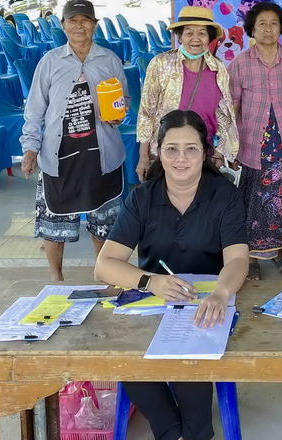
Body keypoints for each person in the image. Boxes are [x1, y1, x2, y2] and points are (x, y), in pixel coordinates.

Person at [95, 110, 248, 440]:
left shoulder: (225, 195)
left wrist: (221, 293)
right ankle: (173, 431)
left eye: (191, 149)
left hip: (203, 306)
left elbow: (237, 260)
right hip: (151, 305)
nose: (181, 159)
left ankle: (186, 432)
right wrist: (151, 282)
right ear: (158, 151)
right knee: (126, 360)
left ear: (204, 153)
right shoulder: (142, 198)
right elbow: (105, 265)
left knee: (188, 367)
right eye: (171, 149)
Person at [21, 0, 127, 281]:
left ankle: (103, 274)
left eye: (85, 20)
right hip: (59, 155)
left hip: (101, 154)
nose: (79, 26)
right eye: (73, 20)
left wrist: (118, 116)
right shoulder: (50, 61)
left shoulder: (110, 60)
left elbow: (123, 100)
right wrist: (30, 149)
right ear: (63, 25)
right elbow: (34, 109)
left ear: (95, 25)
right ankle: (56, 277)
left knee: (103, 222)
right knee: (54, 221)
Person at [228, 1, 282, 281]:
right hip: (254, 146)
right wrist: (231, 146)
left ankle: (280, 255)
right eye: (261, 23)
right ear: (251, 29)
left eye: (274, 23)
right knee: (252, 203)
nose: (268, 28)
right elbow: (233, 107)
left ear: (281, 28)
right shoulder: (240, 63)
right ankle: (250, 258)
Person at [136, 5, 239, 181]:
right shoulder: (161, 64)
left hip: (203, 153)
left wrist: (220, 151)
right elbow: (147, 112)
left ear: (209, 38)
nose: (195, 39)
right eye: (189, 33)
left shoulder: (218, 68)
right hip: (166, 153)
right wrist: (144, 157)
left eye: (202, 33)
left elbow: (223, 114)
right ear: (180, 36)